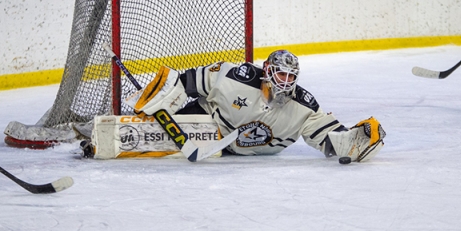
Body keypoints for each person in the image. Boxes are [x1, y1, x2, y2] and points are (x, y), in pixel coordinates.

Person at [124, 50, 385, 163]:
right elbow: (189, 82)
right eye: (281, 74)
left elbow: (332, 138)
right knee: (154, 132)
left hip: (243, 152)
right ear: (267, 70)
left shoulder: (303, 106)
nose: (285, 82)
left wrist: (358, 138)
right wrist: (163, 97)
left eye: (291, 77)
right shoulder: (235, 77)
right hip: (210, 124)